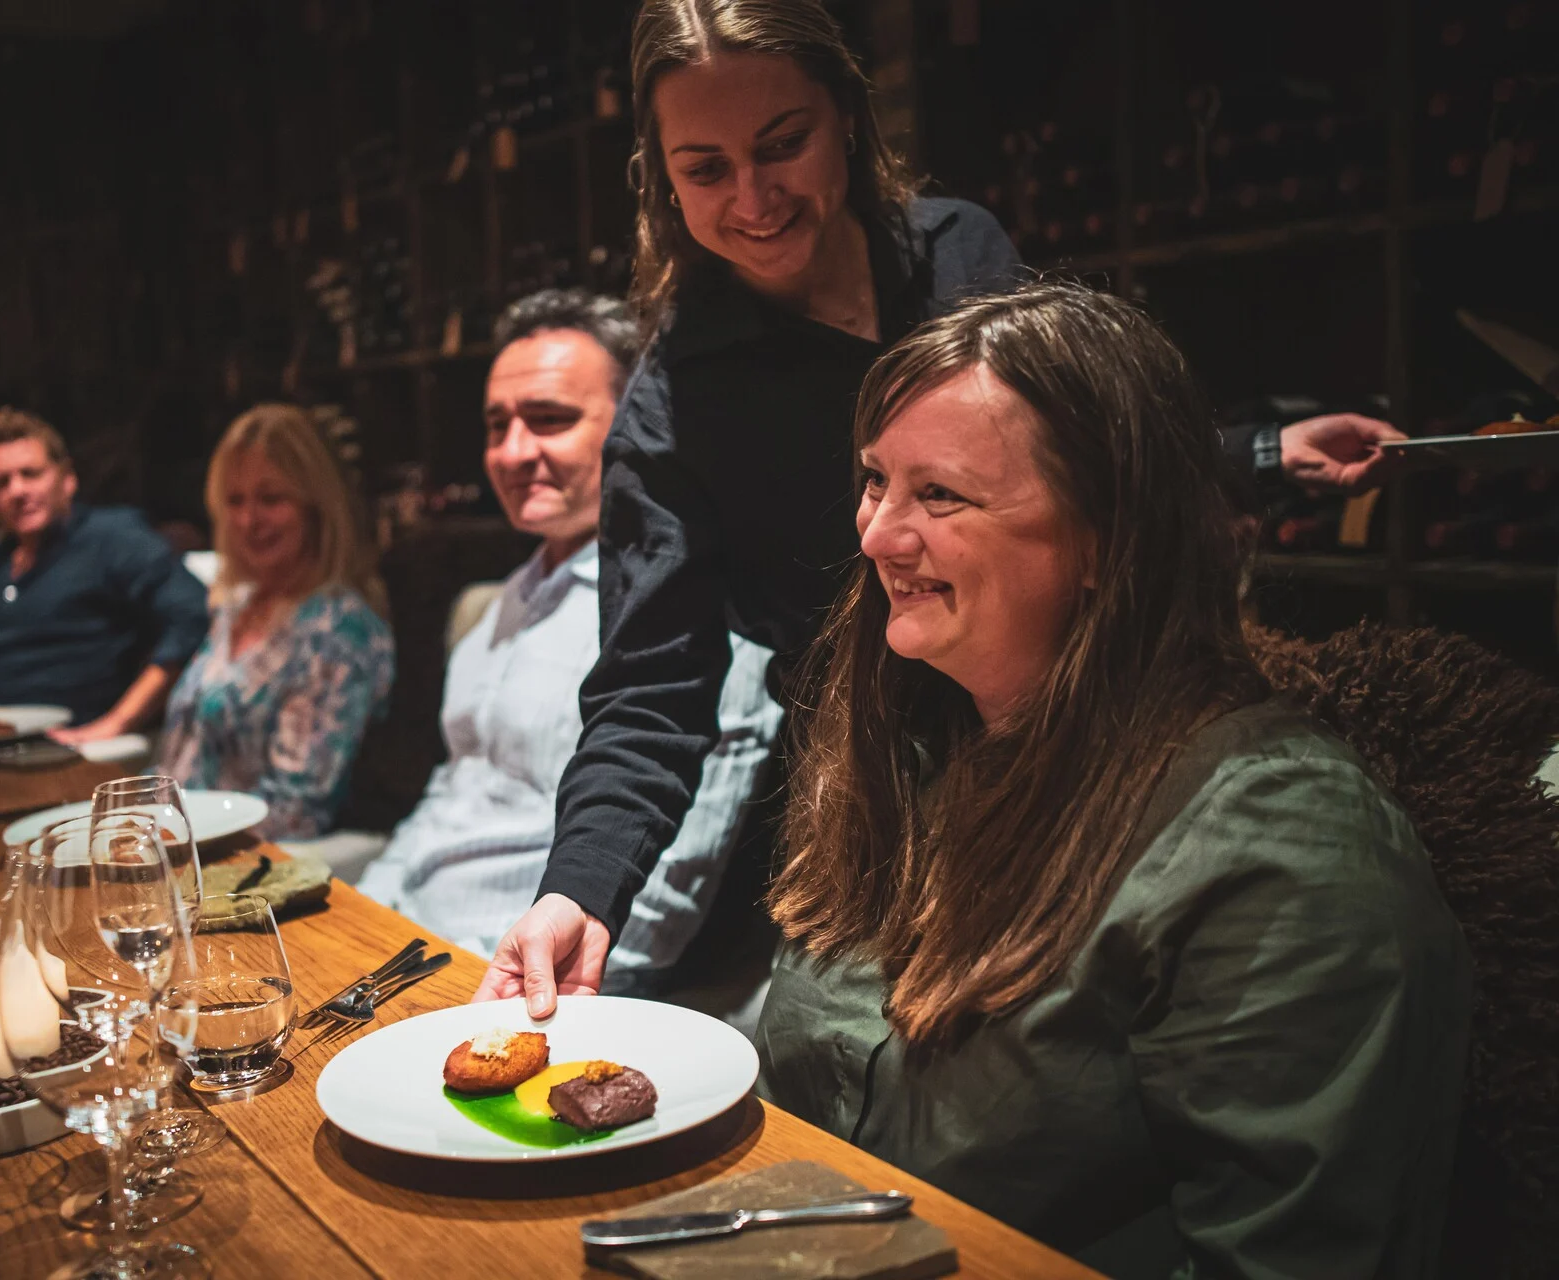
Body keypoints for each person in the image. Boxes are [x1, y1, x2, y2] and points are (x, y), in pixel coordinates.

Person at [477, 0, 1409, 1016]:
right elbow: (651, 691)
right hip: (881, 774)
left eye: (782, 145)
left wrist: (1263, 454)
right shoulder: (674, 406)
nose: (753, 198)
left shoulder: (960, 251)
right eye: (705, 169)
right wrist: (581, 887)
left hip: (1081, 704)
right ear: (661, 176)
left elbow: (1073, 453)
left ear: (846, 115)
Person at [756, 282, 1468, 1277]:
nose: (876, 533)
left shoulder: (1289, 852)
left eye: (941, 494)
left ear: (1106, 540)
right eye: (876, 479)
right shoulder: (911, 744)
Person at [356, 290, 781, 991]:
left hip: (515, 985)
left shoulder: (699, 612)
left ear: (637, 423)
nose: (515, 452)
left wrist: (506, 1003)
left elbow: (664, 891)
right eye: (498, 426)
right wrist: (369, 915)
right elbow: (453, 793)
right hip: (408, 955)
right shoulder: (503, 600)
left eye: (550, 420)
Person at [155, 404, 393, 841]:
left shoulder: (337, 630)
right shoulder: (238, 605)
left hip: (238, 866)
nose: (249, 520)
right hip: (170, 845)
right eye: (235, 501)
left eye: (271, 499)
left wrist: (168, 846)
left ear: (315, 507)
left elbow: (295, 811)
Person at [0, 407, 209, 740]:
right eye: (2, 482)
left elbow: (193, 613)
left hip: (67, 752)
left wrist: (114, 725)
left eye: (31, 473)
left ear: (67, 479)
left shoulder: (112, 539)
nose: (17, 491)